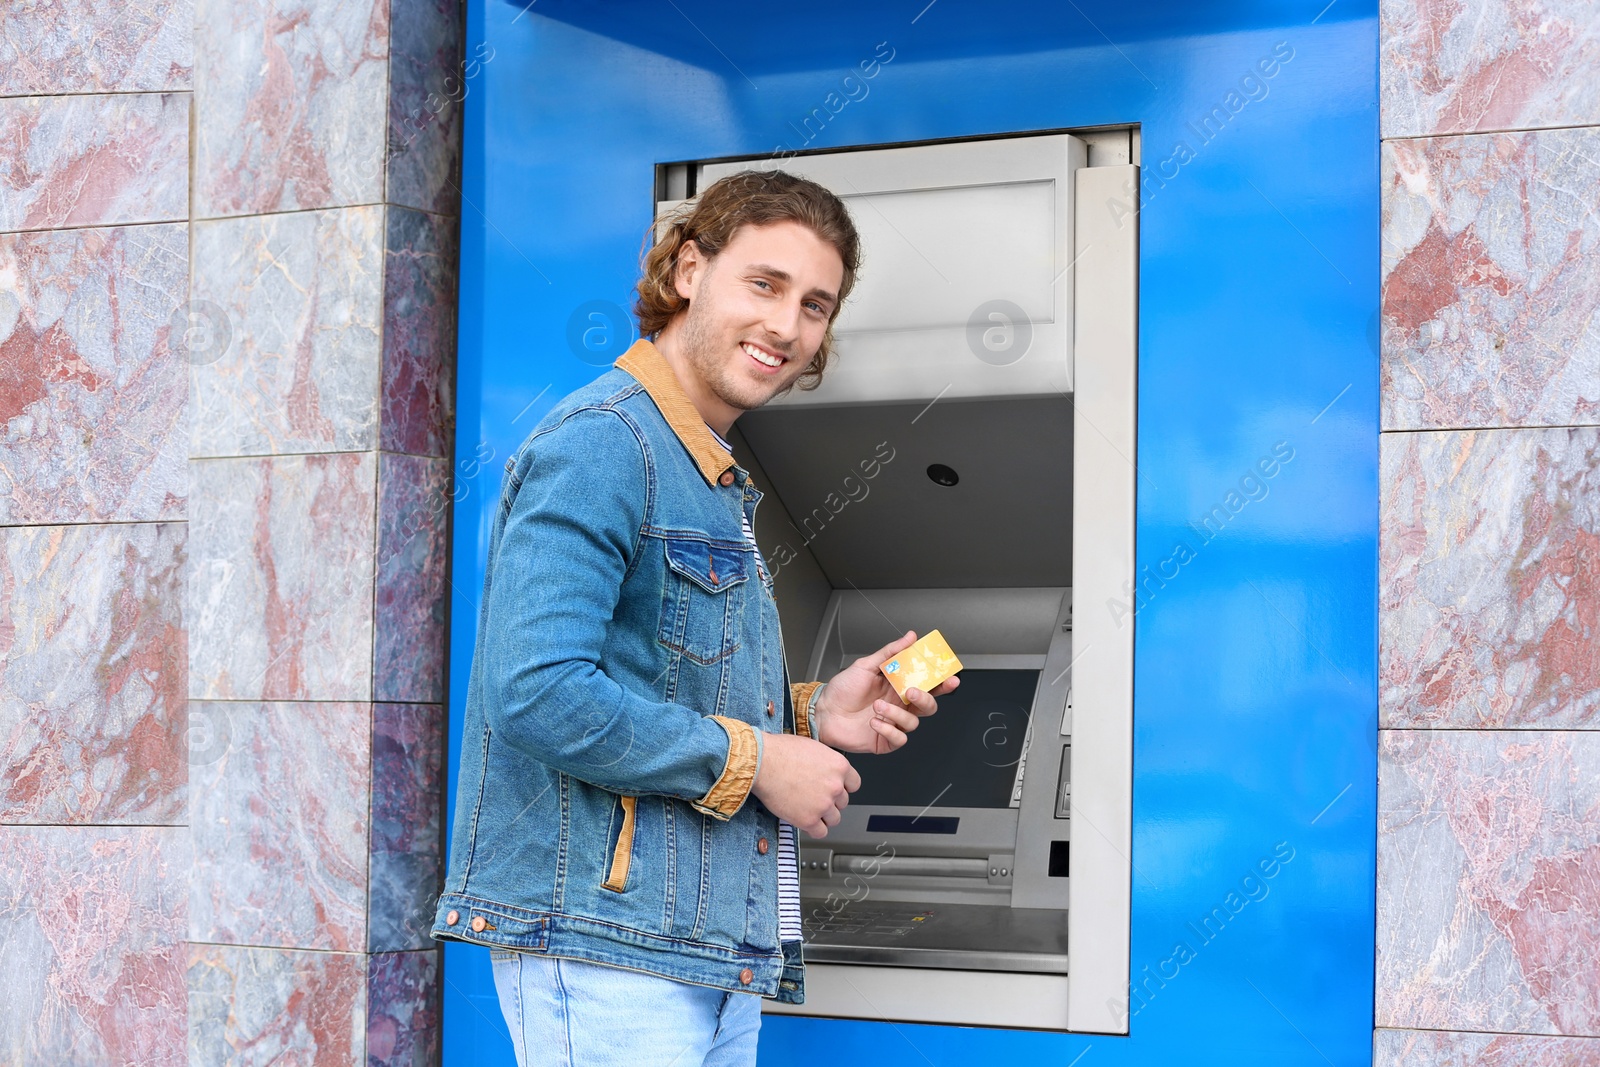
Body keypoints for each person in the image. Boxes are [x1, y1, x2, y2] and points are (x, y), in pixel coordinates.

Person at [432, 169, 957, 1067]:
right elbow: (534, 690)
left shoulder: (703, 467)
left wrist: (810, 715)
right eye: (765, 284)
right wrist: (760, 760)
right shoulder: (604, 443)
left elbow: (657, 674)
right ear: (687, 270)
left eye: (816, 305)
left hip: (697, 944)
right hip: (606, 944)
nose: (787, 327)